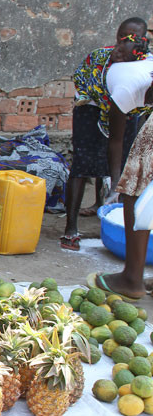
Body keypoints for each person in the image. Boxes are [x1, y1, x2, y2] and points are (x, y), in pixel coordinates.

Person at [62, 17, 150, 250]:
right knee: (84, 163)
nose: (119, 50)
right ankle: (71, 227)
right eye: (121, 38)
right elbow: (115, 141)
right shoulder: (105, 62)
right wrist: (115, 186)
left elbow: (120, 141)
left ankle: (107, 207)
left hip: (128, 108)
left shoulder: (144, 68)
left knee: (121, 162)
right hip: (91, 107)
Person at [88, 58, 153, 299]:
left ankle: (131, 278)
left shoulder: (126, 87)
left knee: (137, 187)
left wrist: (118, 184)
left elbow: (116, 139)